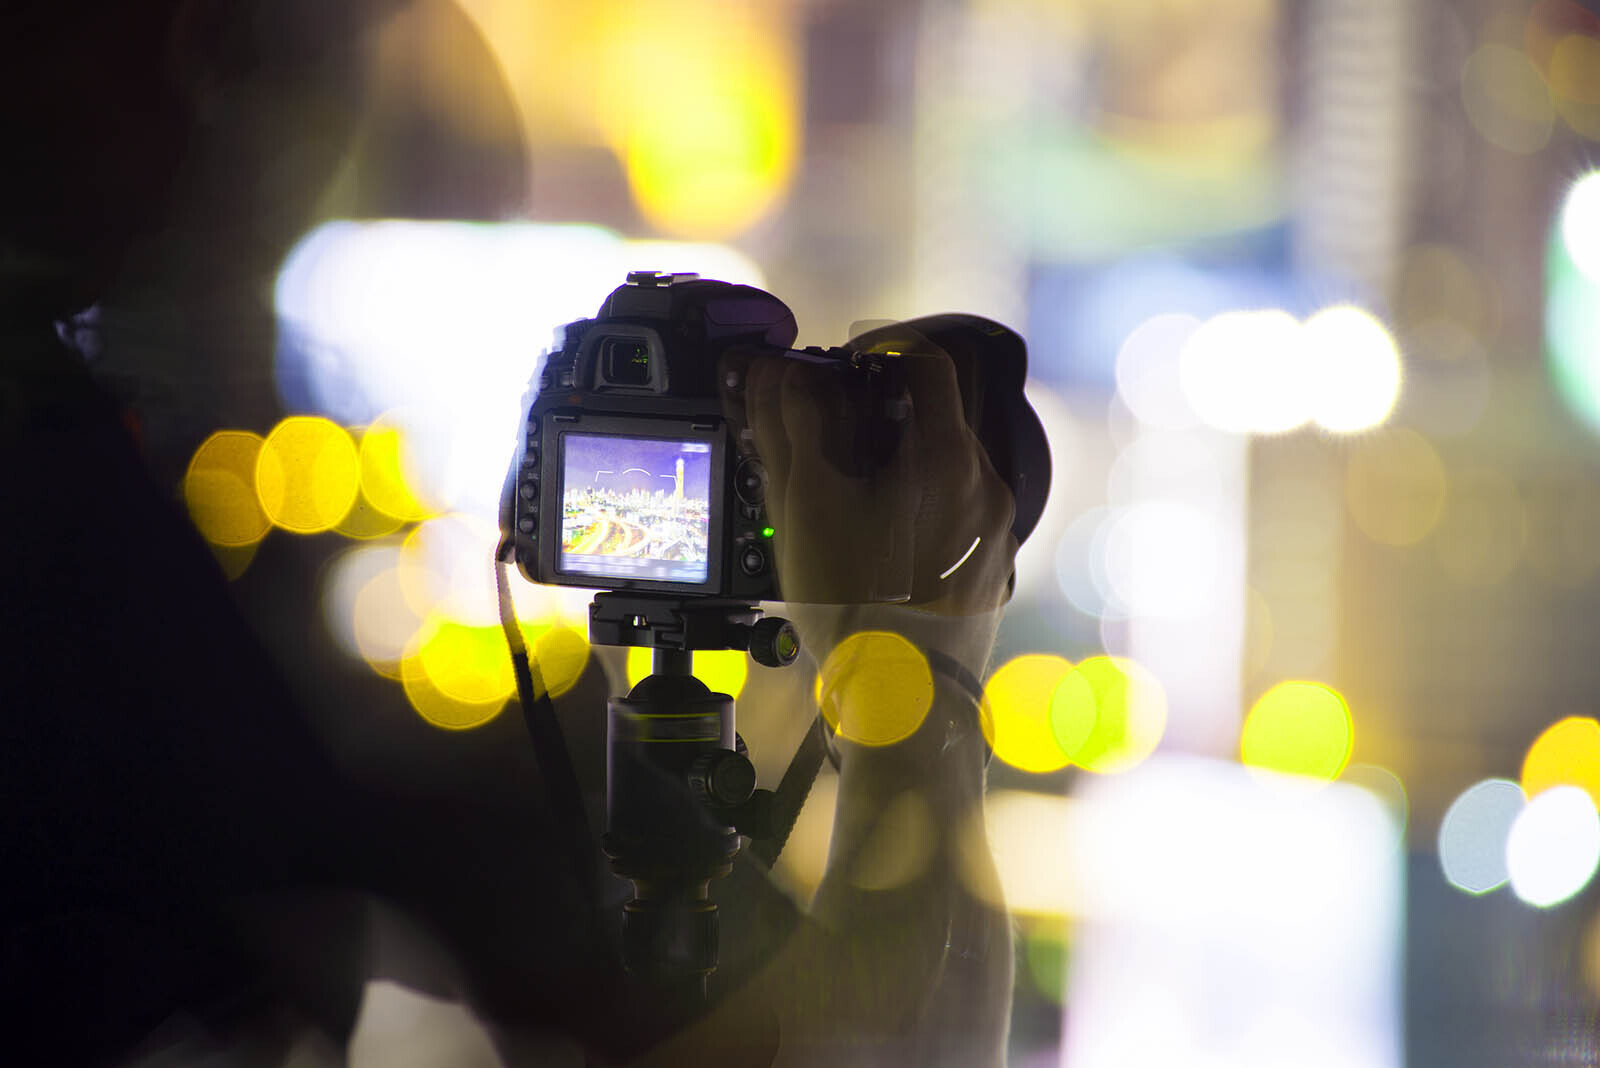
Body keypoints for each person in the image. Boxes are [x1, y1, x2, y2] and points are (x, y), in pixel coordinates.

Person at [0, 2, 1022, 1063]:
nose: (217, 101)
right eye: (238, 52)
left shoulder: (94, 499)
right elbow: (877, 1043)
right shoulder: (118, 585)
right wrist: (916, 684)